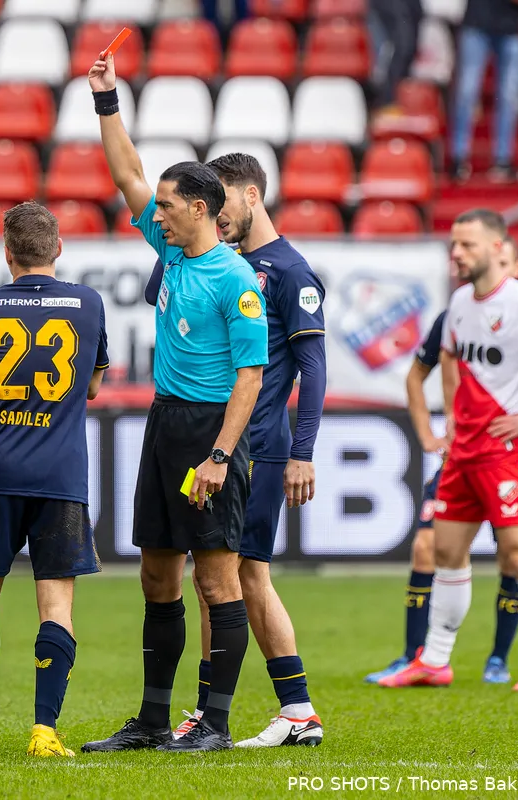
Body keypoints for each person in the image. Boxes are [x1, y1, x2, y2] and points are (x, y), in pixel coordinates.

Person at [82, 53, 268, 754]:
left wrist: (221, 455)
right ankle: (153, 721)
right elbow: (126, 173)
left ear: (200, 208)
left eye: (165, 204)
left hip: (210, 432)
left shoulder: (236, 278)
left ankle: (214, 723)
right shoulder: (174, 250)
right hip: (165, 422)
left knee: (217, 578)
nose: (151, 211)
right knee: (157, 574)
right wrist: (107, 102)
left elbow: (251, 376)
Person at [147, 153, 326, 748]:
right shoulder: (217, 262)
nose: (217, 215)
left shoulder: (289, 272)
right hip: (229, 436)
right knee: (233, 571)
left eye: (224, 202)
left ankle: (258, 710)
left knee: (232, 572)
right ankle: (283, 708)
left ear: (250, 195)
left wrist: (302, 449)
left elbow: (312, 367)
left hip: (258, 444)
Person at [0, 201, 109, 758]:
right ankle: (44, 732)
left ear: (7, 253)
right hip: (60, 474)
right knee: (56, 603)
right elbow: (92, 388)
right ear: (58, 249)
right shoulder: (89, 305)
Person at [380, 209, 518, 693]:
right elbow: (443, 368)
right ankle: (435, 660)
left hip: (506, 454)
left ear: (498, 248)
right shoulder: (461, 303)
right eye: (454, 245)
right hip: (462, 453)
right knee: (445, 551)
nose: (457, 254)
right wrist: (440, 429)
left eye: (467, 245)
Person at [366, 236, 518, 686]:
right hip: (459, 455)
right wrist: (426, 433)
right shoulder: (455, 314)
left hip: (509, 458)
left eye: (505, 263)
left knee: (515, 557)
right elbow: (417, 375)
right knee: (425, 547)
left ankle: (498, 658)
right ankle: (414, 655)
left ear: (515, 266)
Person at [448, 0, 518, 183]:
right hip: (477, 23)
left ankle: (502, 159)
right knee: (467, 92)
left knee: (509, 97)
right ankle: (458, 157)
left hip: (511, 27)